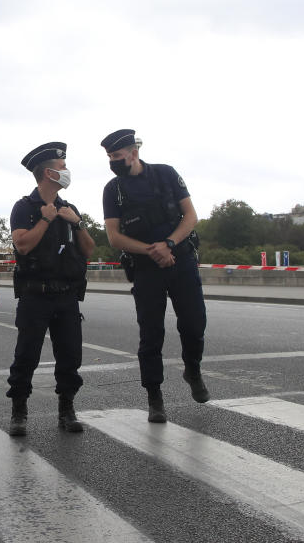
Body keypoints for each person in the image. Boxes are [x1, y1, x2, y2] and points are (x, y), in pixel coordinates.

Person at [100, 129, 209, 423]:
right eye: (110, 157)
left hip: (181, 259)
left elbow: (191, 216)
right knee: (151, 335)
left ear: (134, 153)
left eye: (118, 156)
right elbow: (114, 237)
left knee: (194, 322)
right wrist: (152, 251)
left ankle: (193, 369)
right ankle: (154, 397)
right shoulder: (114, 190)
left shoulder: (166, 174)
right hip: (146, 268)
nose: (113, 162)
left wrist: (169, 244)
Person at [6, 143, 94, 436]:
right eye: (61, 165)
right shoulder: (24, 208)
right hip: (35, 294)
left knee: (70, 356)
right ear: (48, 172)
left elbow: (89, 250)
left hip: (67, 294)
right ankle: (19, 411)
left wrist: (77, 223)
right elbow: (22, 244)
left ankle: (66, 410)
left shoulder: (71, 209)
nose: (66, 170)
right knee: (26, 355)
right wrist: (46, 218)